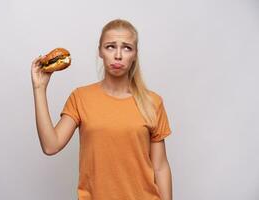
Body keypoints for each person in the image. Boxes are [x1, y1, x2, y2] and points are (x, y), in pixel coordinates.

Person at [31, 18, 172, 200]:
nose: (118, 55)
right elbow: (51, 146)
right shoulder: (81, 97)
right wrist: (39, 89)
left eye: (127, 47)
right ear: (100, 51)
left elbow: (160, 167)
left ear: (135, 54)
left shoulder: (152, 102)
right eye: (110, 46)